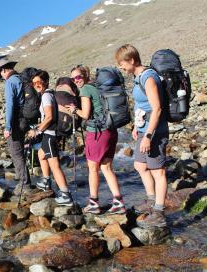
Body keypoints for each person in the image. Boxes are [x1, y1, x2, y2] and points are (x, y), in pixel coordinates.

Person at [115, 44, 169, 228]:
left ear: (131, 60)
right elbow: (142, 105)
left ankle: (159, 213)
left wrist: (147, 135)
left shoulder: (149, 77)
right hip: (143, 129)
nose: (120, 67)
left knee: (158, 172)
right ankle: (151, 202)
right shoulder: (138, 77)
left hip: (154, 132)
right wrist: (137, 127)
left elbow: (157, 109)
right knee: (140, 165)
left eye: (121, 63)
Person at [67, 66, 125, 214]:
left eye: (78, 77)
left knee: (93, 169)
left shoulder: (86, 89)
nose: (76, 81)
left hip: (97, 133)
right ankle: (118, 202)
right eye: (73, 79)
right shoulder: (98, 86)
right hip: (111, 130)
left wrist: (74, 110)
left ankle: (93, 203)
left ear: (85, 75)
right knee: (106, 167)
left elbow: (85, 115)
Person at [28, 70, 73, 206]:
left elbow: (49, 117)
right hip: (50, 133)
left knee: (55, 166)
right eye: (34, 83)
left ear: (46, 82)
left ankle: (66, 194)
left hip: (50, 135)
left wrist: (37, 130)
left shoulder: (46, 96)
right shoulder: (50, 94)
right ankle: (46, 180)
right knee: (41, 155)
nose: (36, 85)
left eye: (39, 82)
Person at [0, 58, 31, 194]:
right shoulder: (21, 79)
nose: (1, 77)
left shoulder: (10, 82)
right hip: (26, 119)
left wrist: (7, 127)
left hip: (16, 120)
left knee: (16, 152)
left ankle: (24, 184)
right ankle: (22, 176)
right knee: (21, 148)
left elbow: (9, 105)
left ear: (4, 70)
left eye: (1, 74)